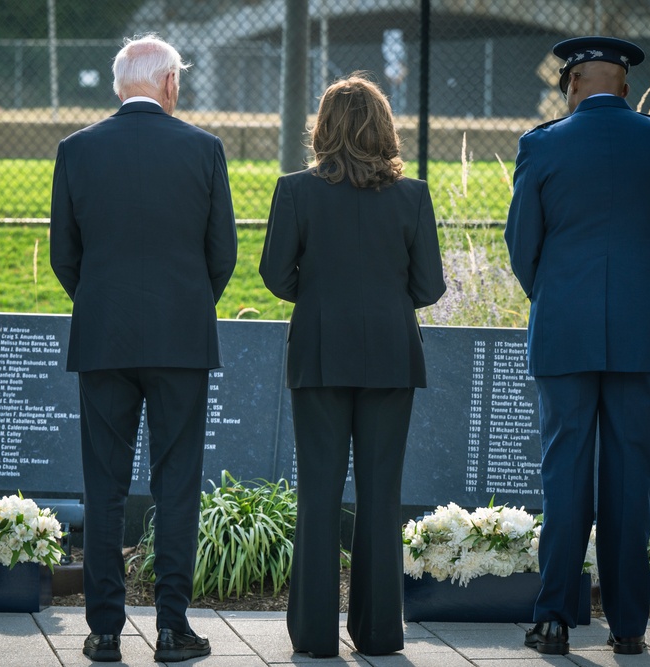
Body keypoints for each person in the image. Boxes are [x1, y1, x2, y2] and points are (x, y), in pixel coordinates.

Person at [49, 34, 237, 663]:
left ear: (118, 85)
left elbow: (63, 256)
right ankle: (172, 627)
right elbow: (222, 256)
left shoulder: (75, 151)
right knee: (177, 484)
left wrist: (104, 302)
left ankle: (103, 631)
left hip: (103, 337)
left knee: (103, 486)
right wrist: (183, 304)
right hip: (181, 339)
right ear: (170, 85)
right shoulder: (204, 149)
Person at [505, 37, 650, 656]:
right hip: (643, 333)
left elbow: (522, 245)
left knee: (564, 474)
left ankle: (555, 618)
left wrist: (556, 296)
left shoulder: (541, 145)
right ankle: (630, 626)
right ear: (627, 86)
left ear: (571, 84)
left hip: (564, 330)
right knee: (630, 481)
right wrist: (641, 295)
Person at [259, 74, 445, 658]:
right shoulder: (413, 195)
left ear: (323, 128)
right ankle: (380, 632)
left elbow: (273, 274)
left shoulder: (295, 191)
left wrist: (318, 298)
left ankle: (314, 636)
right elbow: (430, 285)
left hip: (317, 354)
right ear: (384, 127)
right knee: (382, 495)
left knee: (317, 494)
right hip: (391, 355)